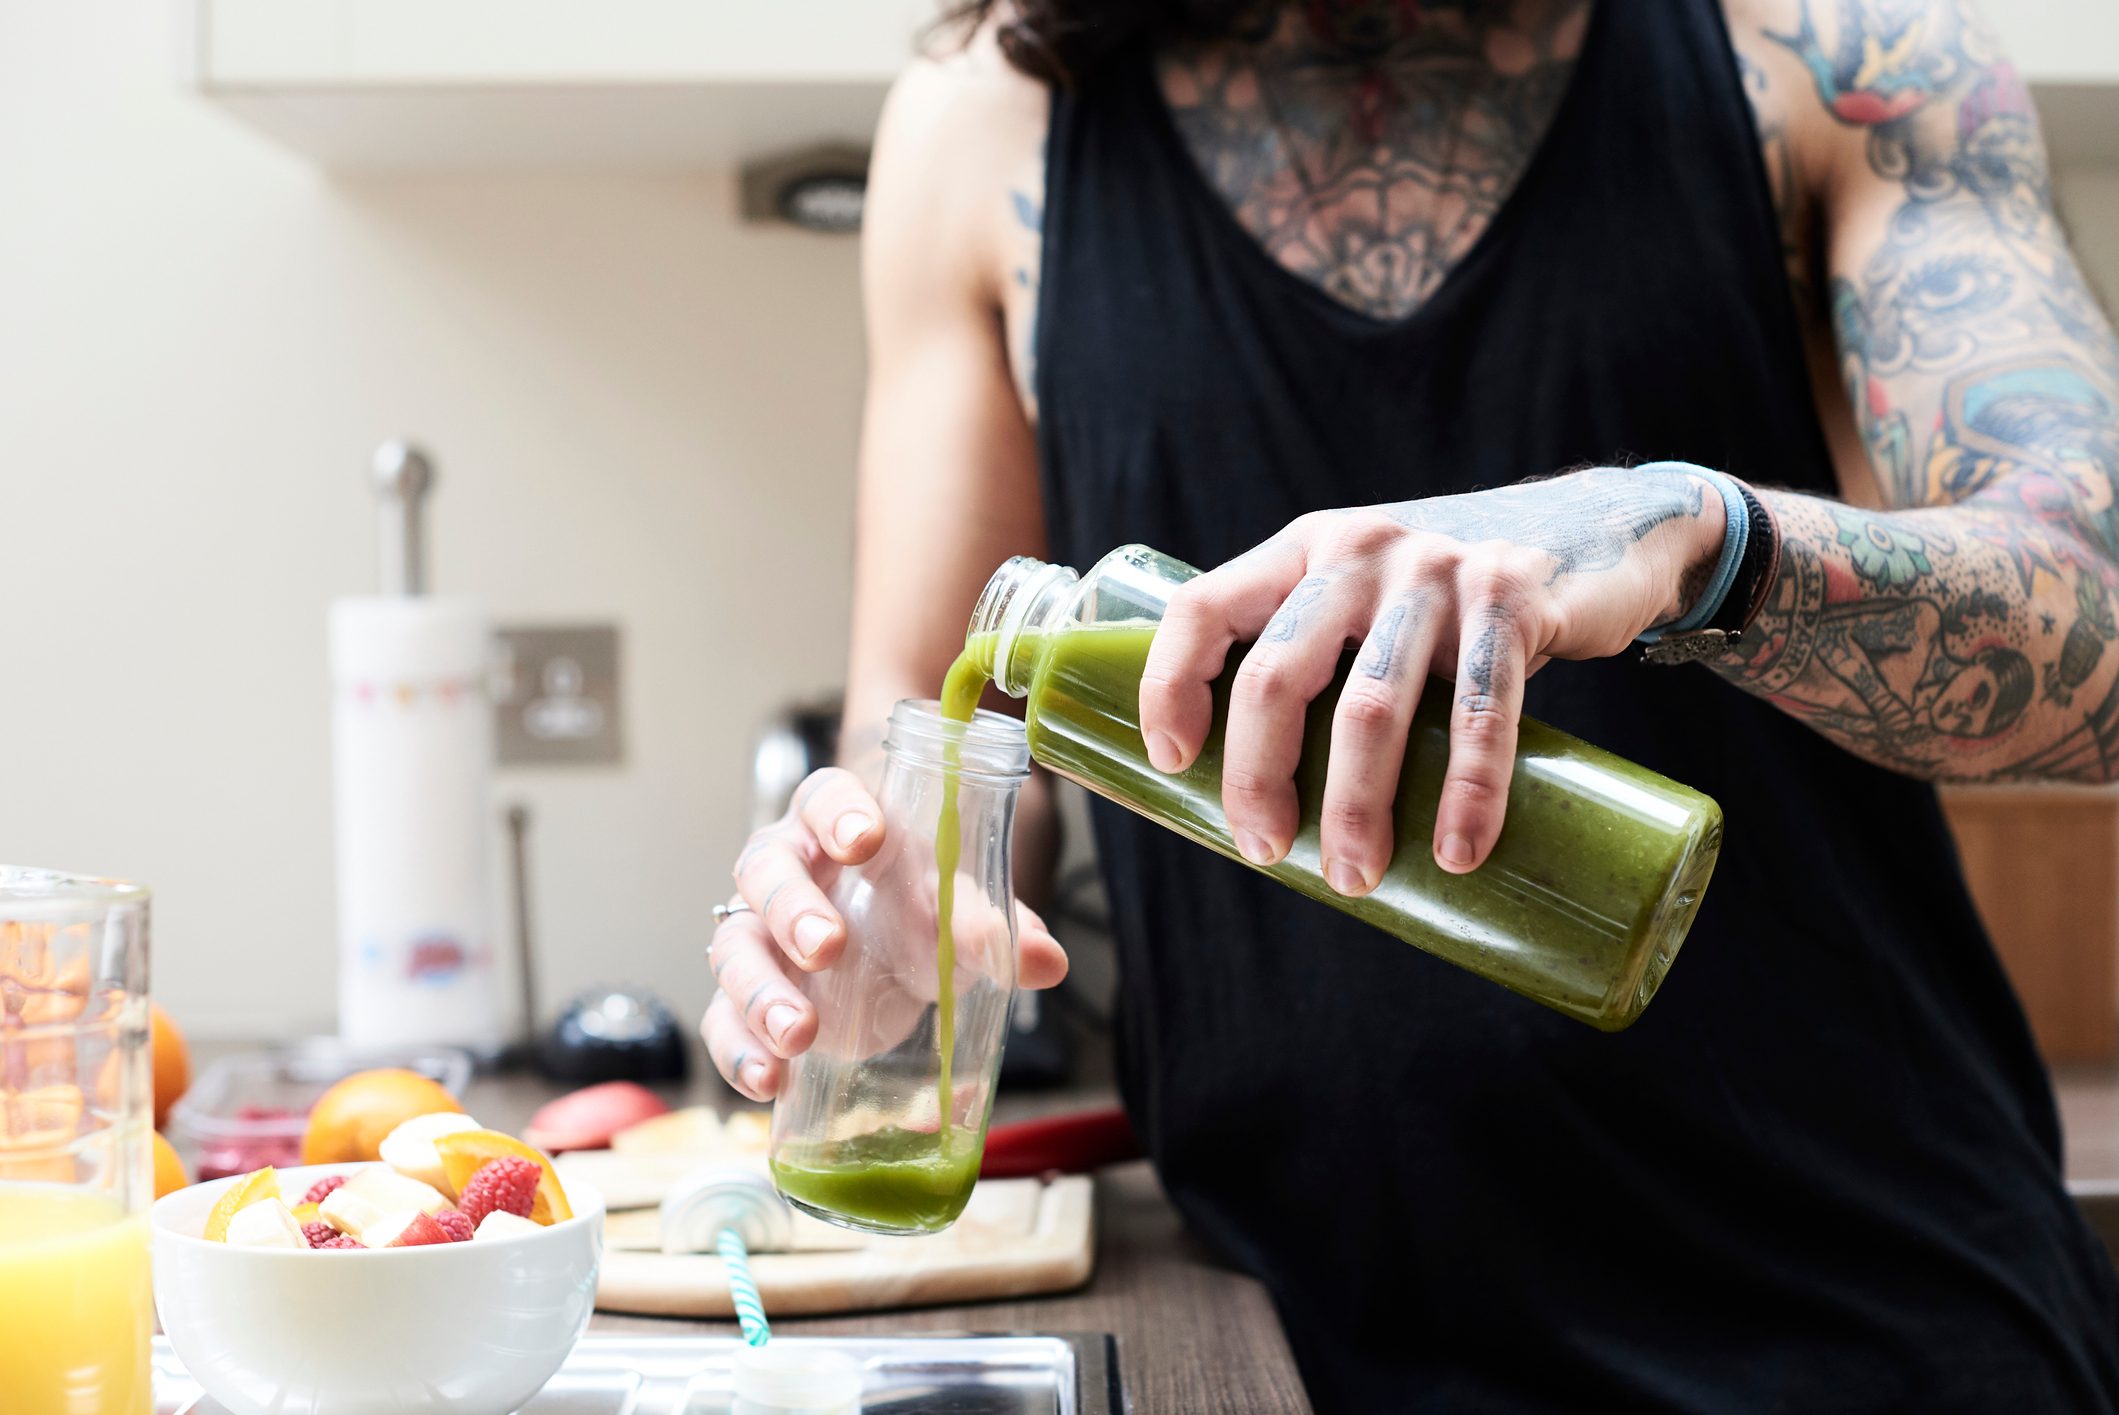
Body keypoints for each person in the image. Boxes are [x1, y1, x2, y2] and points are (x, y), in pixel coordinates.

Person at [703, 1, 2119, 1407]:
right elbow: (942, 706)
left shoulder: (1841, 55)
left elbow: (2097, 605)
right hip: (1288, 1343)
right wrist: (884, 888)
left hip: (1856, 1315)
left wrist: (1697, 535)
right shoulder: (988, 116)